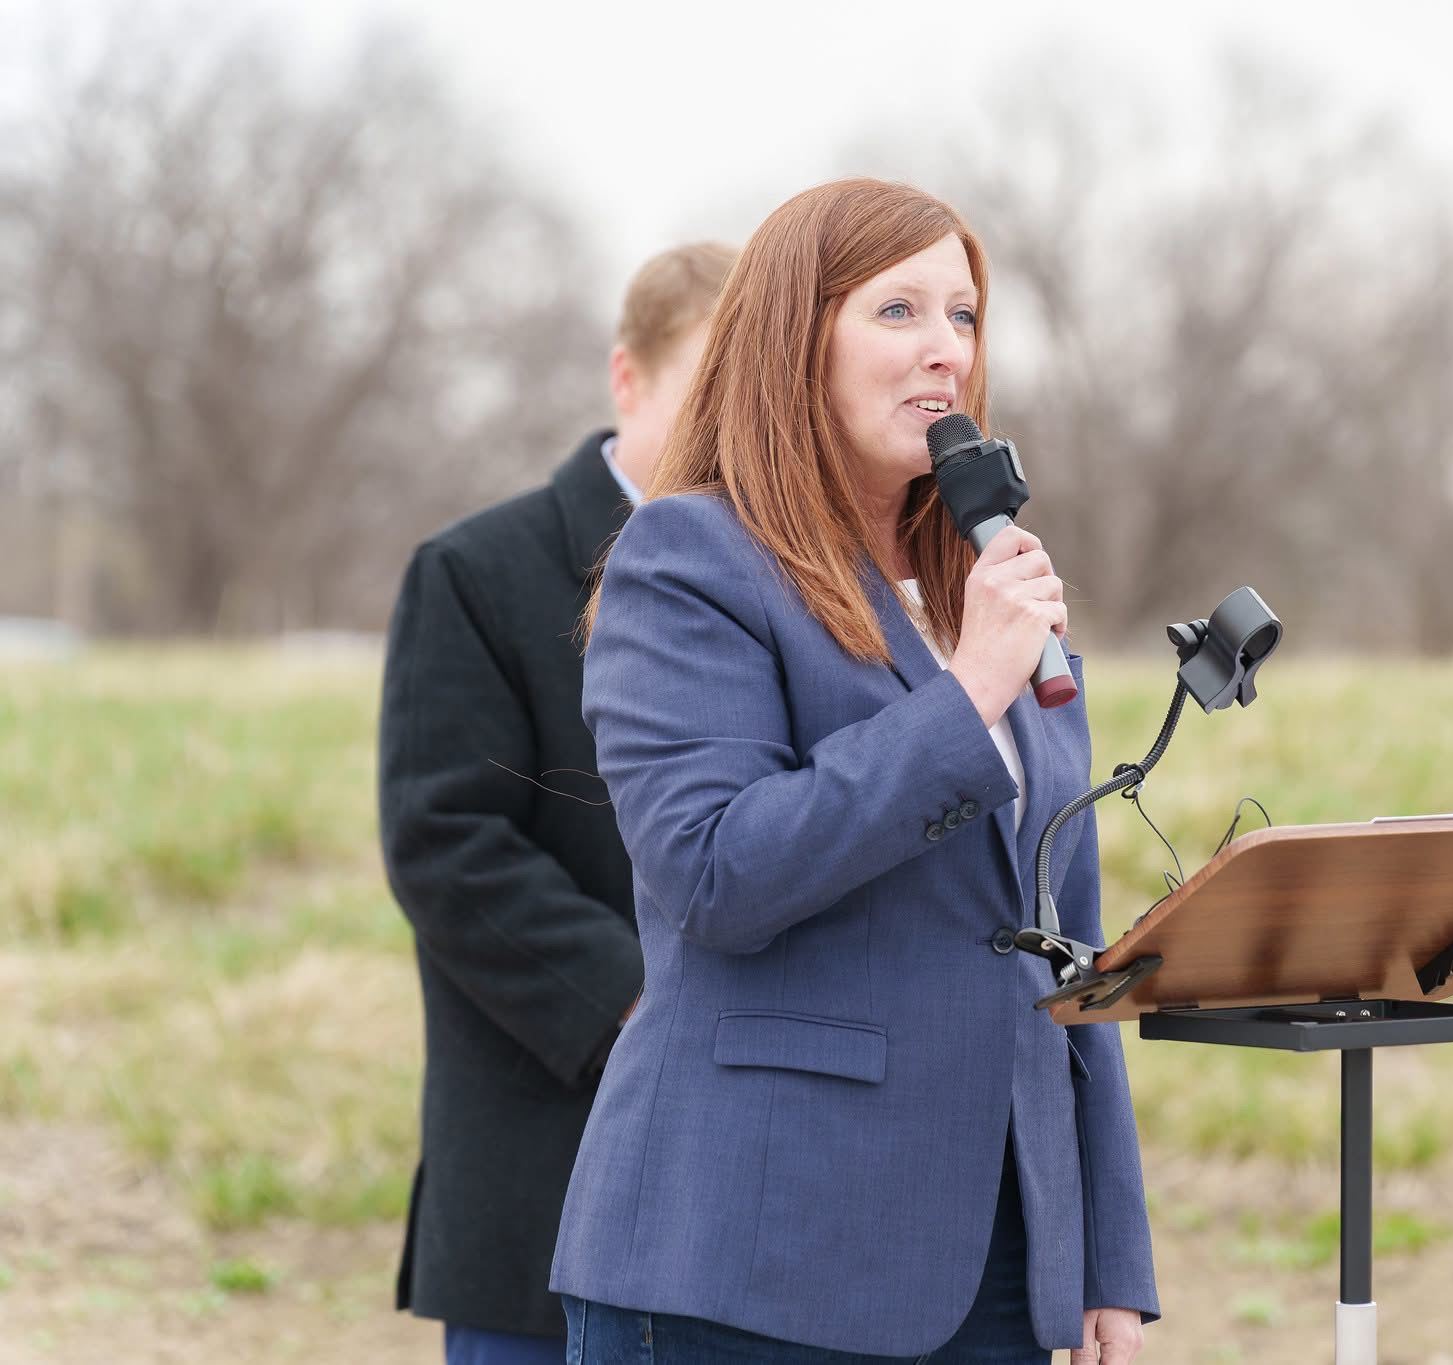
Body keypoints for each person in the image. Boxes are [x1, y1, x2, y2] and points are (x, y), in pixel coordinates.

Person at [550, 179, 1158, 1364]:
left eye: (965, 318)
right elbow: (718, 872)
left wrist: (1106, 1256)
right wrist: (965, 691)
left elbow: (1061, 937)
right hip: (748, 1257)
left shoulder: (989, 584)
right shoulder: (689, 559)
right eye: (898, 313)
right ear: (793, 339)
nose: (944, 352)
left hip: (994, 1260)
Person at [379, 242, 738, 1365]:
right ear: (625, 381)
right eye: (703, 397)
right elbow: (447, 846)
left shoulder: (788, 578)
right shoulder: (478, 569)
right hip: (541, 1161)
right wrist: (649, 1008)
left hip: (748, 1186)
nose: (730, 435)